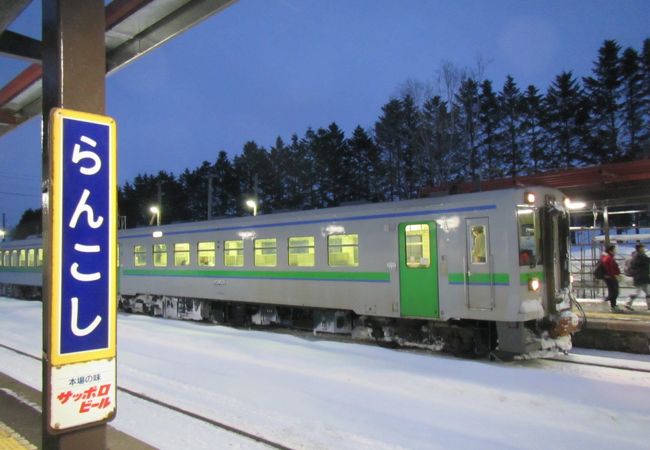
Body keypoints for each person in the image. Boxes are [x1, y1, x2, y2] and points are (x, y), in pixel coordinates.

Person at [625, 244, 650, 311]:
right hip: (640, 277)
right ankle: (627, 303)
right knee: (637, 292)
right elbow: (647, 261)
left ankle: (649, 306)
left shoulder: (638, 255)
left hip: (643, 277)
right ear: (639, 248)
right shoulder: (639, 256)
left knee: (647, 292)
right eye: (643, 247)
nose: (644, 249)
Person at [600, 244, 621, 312]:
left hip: (611, 276)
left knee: (614, 291)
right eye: (614, 250)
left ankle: (613, 305)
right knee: (614, 291)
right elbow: (608, 268)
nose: (615, 251)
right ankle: (612, 305)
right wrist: (612, 275)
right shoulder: (608, 257)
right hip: (610, 277)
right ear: (610, 250)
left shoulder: (609, 257)